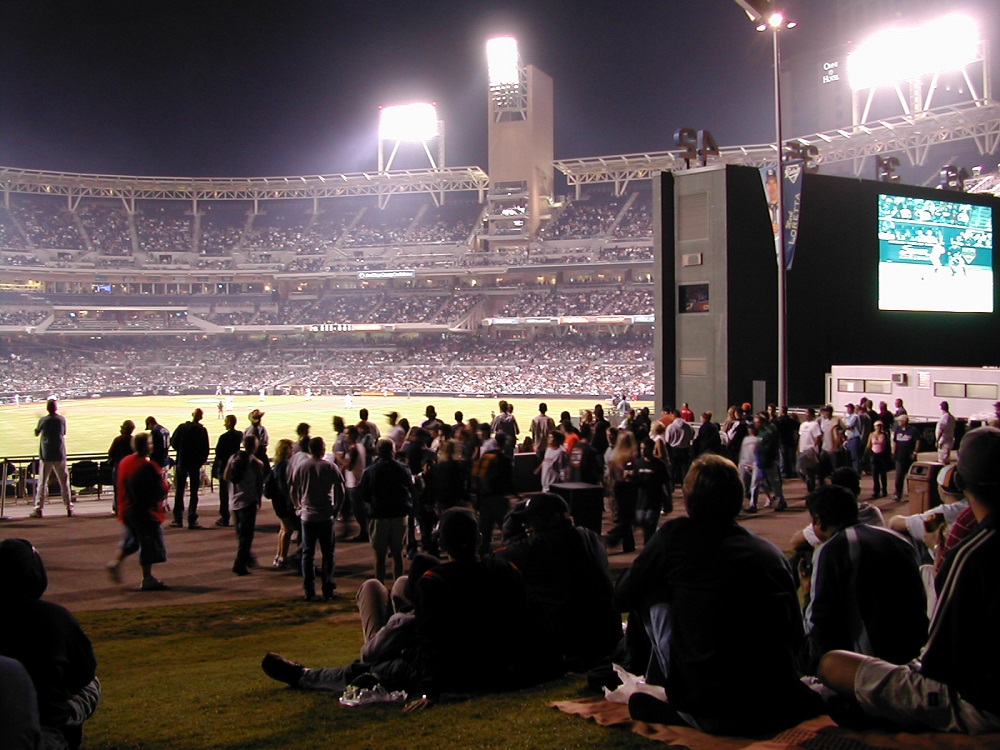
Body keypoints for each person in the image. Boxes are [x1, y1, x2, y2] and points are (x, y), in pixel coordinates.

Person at [614, 454, 822, 736]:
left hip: (711, 705)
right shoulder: (770, 553)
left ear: (689, 498)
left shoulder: (675, 537)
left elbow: (624, 596)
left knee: (652, 592)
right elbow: (795, 636)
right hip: (778, 701)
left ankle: (664, 689)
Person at [261, 508, 540, 710]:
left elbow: (432, 642)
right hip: (495, 665)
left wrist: (431, 692)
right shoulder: (504, 569)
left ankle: (305, 676)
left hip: (451, 670)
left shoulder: (438, 582)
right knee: (397, 593)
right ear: (479, 538)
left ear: (442, 543)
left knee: (370, 662)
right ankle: (311, 674)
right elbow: (524, 620)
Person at [817, 427, 1000, 734]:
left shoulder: (972, 553)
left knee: (832, 665)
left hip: (980, 704)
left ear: (961, 481)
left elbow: (937, 663)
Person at [800, 485, 928, 675]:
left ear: (818, 519)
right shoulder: (897, 538)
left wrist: (806, 592)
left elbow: (820, 622)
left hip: (868, 664)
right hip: (911, 651)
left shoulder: (833, 549)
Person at [496, 493, 622, 670]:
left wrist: (510, 535)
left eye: (533, 519)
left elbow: (491, 564)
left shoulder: (537, 547)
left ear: (554, 518)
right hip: (607, 638)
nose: (528, 525)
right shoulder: (590, 537)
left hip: (572, 645)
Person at [0, 539, 101, 750]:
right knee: (92, 685)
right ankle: (64, 717)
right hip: (45, 728)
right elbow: (84, 672)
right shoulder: (54, 617)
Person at [107, 431, 170, 590]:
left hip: (127, 509)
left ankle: (115, 563)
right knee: (147, 544)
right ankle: (147, 578)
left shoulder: (125, 462)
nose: (152, 446)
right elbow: (160, 490)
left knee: (131, 540)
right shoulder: (148, 466)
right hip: (143, 511)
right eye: (150, 443)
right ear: (146, 446)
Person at [290, 436, 344, 600]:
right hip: (325, 515)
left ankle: (309, 590)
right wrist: (336, 510)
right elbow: (340, 492)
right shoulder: (330, 466)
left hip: (308, 516)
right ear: (322, 449)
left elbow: (293, 489)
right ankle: (328, 587)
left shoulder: (302, 466)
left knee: (308, 553)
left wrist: (298, 507)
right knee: (328, 553)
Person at [358, 439, 413, 583]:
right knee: (397, 554)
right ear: (393, 450)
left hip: (379, 516)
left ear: (378, 451)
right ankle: (398, 586)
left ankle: (379, 586)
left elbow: (364, 494)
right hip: (399, 515)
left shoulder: (370, 470)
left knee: (379, 556)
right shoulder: (403, 469)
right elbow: (411, 489)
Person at [224, 434, 265, 576]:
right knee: (247, 536)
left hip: (234, 501)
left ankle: (247, 558)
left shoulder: (233, 458)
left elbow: (225, 476)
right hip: (248, 501)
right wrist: (258, 499)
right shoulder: (256, 463)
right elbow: (259, 484)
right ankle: (240, 563)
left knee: (240, 534)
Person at [31, 398, 73, 518]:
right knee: (64, 482)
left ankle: (38, 509)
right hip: (60, 453)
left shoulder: (43, 420)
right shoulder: (61, 419)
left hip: (46, 454)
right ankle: (69, 507)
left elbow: (36, 433)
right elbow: (63, 433)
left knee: (42, 483)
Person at [170, 408, 210, 529]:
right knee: (193, 492)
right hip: (194, 464)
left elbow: (173, 442)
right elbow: (205, 449)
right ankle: (192, 519)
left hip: (182, 462)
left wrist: (182, 451)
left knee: (180, 491)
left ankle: (178, 519)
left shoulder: (182, 428)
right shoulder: (202, 430)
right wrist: (199, 461)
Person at [266, 439, 298, 569]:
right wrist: (290, 499)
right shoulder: (284, 464)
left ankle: (279, 556)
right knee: (288, 529)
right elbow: (283, 484)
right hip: (282, 501)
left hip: (277, 500)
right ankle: (282, 558)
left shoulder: (278, 463)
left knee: (283, 528)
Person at [212, 414, 242, 527]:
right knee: (235, 492)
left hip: (225, 466)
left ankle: (225, 517)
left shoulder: (224, 437)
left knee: (224, 494)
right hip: (235, 466)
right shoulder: (239, 435)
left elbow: (219, 453)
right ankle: (237, 516)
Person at [107, 419, 135, 515]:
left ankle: (118, 509)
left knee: (117, 489)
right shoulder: (133, 440)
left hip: (118, 467)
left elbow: (110, 453)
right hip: (130, 468)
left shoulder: (117, 439)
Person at [891, 414, 922, 502]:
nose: (898, 422)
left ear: (904, 421)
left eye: (899, 421)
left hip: (909, 457)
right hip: (899, 457)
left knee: (910, 476)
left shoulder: (912, 430)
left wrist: (915, 452)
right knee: (899, 475)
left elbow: (918, 441)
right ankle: (898, 494)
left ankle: (911, 493)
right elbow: (895, 442)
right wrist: (894, 452)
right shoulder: (897, 429)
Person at [866, 420, 890, 498]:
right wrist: (867, 454)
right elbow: (869, 445)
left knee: (883, 474)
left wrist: (888, 456)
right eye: (877, 426)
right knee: (875, 474)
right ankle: (876, 491)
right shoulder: (871, 434)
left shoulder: (885, 435)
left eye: (880, 426)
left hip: (882, 455)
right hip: (874, 455)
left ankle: (884, 490)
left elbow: (887, 445)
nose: (878, 428)